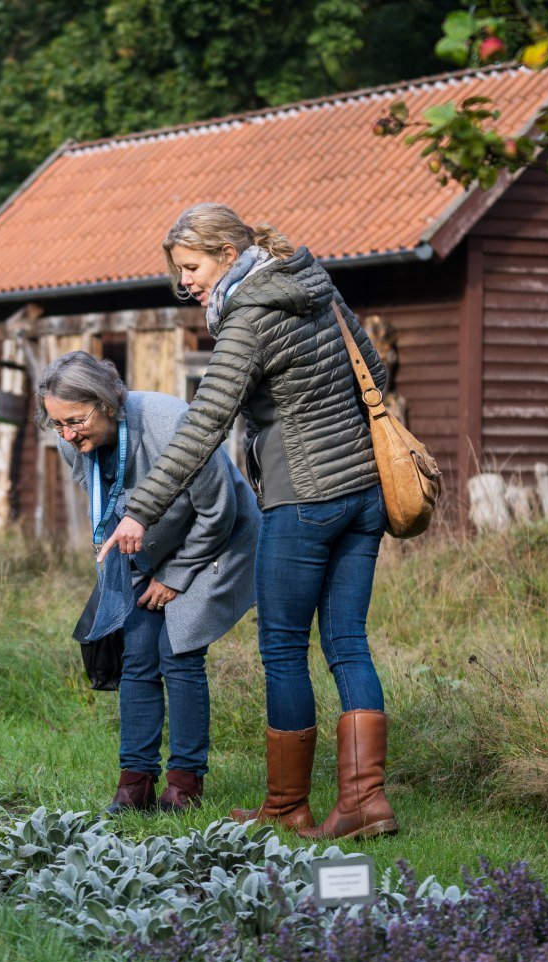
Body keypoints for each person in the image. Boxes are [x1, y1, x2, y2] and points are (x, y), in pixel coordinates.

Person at [98, 202, 397, 840]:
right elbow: (373, 369)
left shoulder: (248, 317)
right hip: (365, 492)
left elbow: (204, 423)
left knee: (284, 648)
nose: (186, 283)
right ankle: (367, 802)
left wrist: (140, 510)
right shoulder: (315, 284)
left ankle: (288, 806)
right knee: (347, 642)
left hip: (304, 498)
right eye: (178, 272)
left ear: (229, 256)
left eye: (192, 267)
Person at [37, 351, 259, 814]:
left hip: (216, 543)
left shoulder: (168, 421)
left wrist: (175, 575)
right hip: (147, 551)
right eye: (57, 424)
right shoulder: (71, 440)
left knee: (176, 653)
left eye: (75, 421)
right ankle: (134, 784)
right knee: (136, 656)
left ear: (107, 404)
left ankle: (184, 785)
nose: (67, 434)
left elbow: (219, 512)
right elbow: (110, 505)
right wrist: (132, 569)